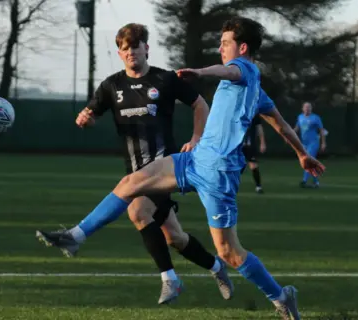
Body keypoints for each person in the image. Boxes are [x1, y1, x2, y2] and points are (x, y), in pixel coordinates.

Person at [36, 17, 325, 319]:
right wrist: (302, 154)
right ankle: (76, 236)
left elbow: (229, 69)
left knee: (229, 252)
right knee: (131, 183)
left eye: (225, 42)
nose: (220, 47)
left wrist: (199, 72)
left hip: (219, 174)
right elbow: (279, 122)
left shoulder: (245, 70)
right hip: (194, 161)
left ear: (242, 47)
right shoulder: (254, 91)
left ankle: (281, 297)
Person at [36, 23, 233, 305]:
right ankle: (216, 267)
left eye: (135, 46)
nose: (130, 52)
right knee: (175, 238)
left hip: (166, 170)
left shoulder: (164, 80)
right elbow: (92, 113)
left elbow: (201, 104)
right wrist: (86, 120)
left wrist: (197, 137)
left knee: (138, 212)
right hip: (136, 173)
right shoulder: (111, 86)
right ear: (119, 53)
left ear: (146, 48)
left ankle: (168, 279)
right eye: (125, 48)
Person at [294, 102, 326, 188]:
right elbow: (297, 128)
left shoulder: (316, 118)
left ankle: (304, 181)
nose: (307, 108)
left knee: (307, 160)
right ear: (302, 108)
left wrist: (323, 143)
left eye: (309, 107)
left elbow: (321, 130)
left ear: (311, 109)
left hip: (314, 142)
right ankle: (316, 182)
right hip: (304, 144)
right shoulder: (300, 117)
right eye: (306, 107)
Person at [242, 114, 267, 193]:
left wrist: (262, 142)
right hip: (238, 145)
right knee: (235, 166)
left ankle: (258, 186)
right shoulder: (236, 111)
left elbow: (259, 128)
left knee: (253, 165)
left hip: (250, 145)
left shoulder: (254, 114)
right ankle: (228, 186)